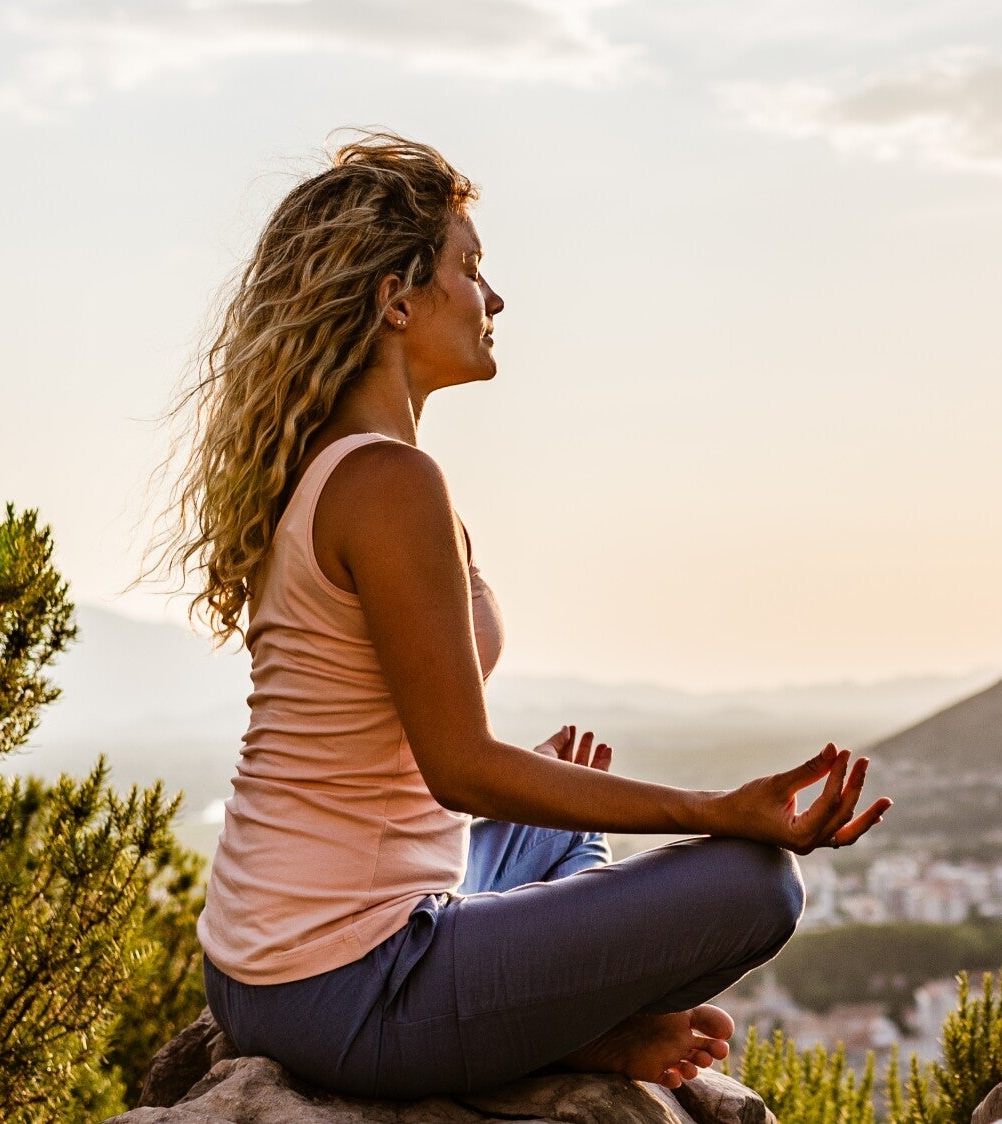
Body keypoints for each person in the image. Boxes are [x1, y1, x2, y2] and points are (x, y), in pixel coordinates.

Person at [153, 131, 891, 1100]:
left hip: (264, 960)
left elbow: (401, 757)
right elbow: (461, 767)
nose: (492, 299)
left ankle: (575, 1025)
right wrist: (712, 809)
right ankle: (585, 1037)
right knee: (756, 885)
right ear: (397, 296)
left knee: (556, 837)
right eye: (471, 268)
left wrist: (531, 787)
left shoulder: (333, 468)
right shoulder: (388, 481)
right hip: (348, 986)